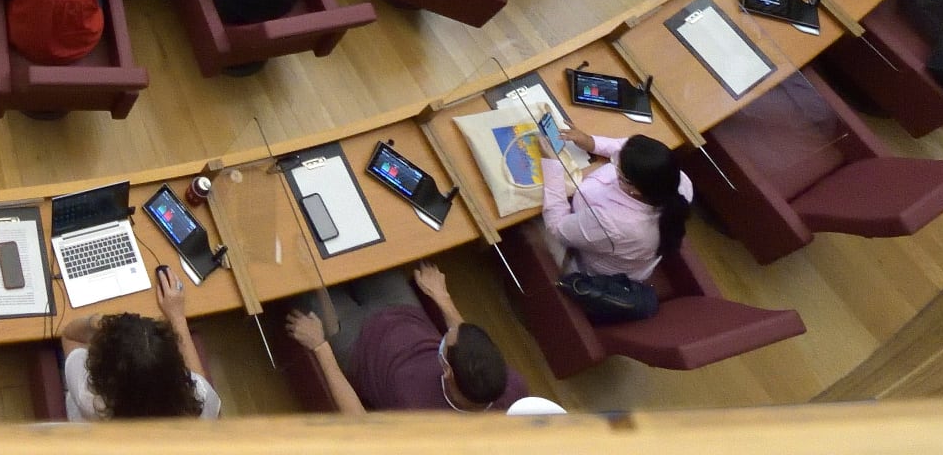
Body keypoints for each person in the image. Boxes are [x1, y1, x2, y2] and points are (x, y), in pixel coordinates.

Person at [286, 262, 525, 414]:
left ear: (447, 371)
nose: (451, 331)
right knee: (364, 245)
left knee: (300, 269)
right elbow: (465, 341)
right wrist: (442, 298)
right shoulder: (507, 385)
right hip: (405, 311)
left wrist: (320, 346)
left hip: (356, 346)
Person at [539, 134, 694, 283]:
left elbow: (557, 229)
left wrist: (552, 164)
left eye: (618, 171)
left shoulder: (615, 224)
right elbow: (629, 151)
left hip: (592, 268)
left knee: (532, 224)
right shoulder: (675, 180)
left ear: (636, 189)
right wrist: (591, 142)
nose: (615, 163)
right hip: (603, 233)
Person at [60, 276, 216, 418]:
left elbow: (69, 335)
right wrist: (177, 317)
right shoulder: (200, 400)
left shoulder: (89, 398)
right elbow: (199, 379)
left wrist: (99, 322)